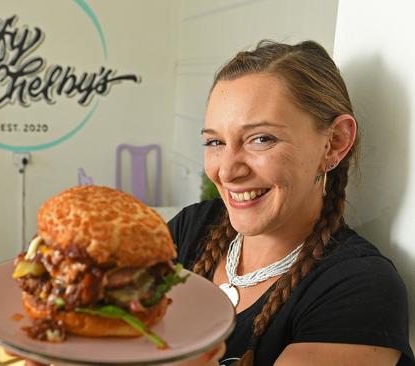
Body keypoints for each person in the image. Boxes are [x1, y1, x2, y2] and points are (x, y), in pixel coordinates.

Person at [169, 40, 414, 365]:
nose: (226, 170)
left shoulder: (359, 288)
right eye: (215, 141)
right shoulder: (193, 227)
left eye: (261, 139)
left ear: (334, 143)